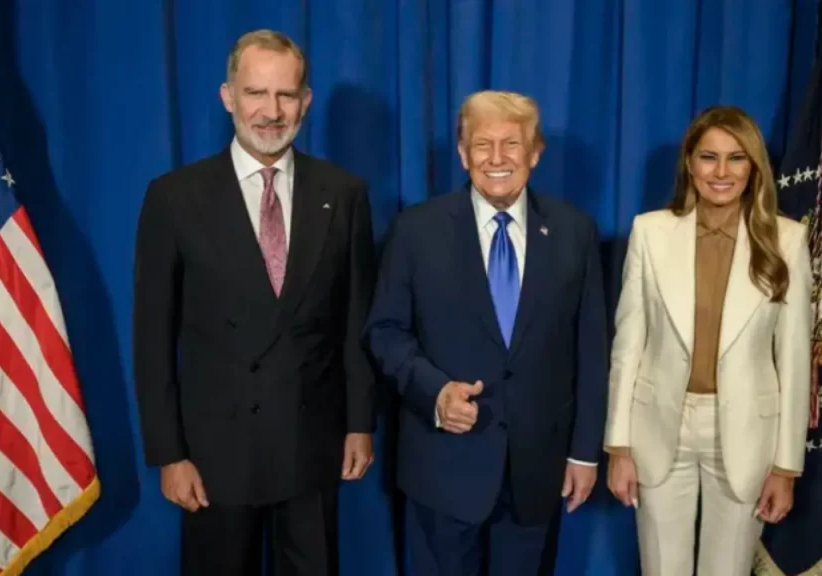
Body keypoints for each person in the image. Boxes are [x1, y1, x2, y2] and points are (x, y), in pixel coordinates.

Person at [132, 29, 376, 576]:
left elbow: (355, 319)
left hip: (312, 444)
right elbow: (152, 339)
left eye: (285, 95)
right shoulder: (174, 197)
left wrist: (361, 422)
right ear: (228, 97)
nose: (271, 111)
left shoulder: (345, 193)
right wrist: (170, 454)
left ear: (305, 102)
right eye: (255, 93)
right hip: (216, 454)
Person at [363, 90, 608, 575]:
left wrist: (584, 454)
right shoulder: (415, 230)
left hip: (535, 474)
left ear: (535, 152)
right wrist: (434, 392)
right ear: (462, 153)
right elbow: (385, 332)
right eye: (482, 145)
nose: (496, 159)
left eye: (511, 145)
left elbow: (592, 349)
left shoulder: (574, 232)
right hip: (442, 471)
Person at [604, 105, 813, 576]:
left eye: (736, 158)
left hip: (745, 434)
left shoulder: (788, 241)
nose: (721, 172)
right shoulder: (650, 232)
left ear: (754, 166)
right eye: (708, 157)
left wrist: (787, 466)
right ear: (689, 164)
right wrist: (619, 445)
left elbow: (796, 360)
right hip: (659, 428)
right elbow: (628, 344)